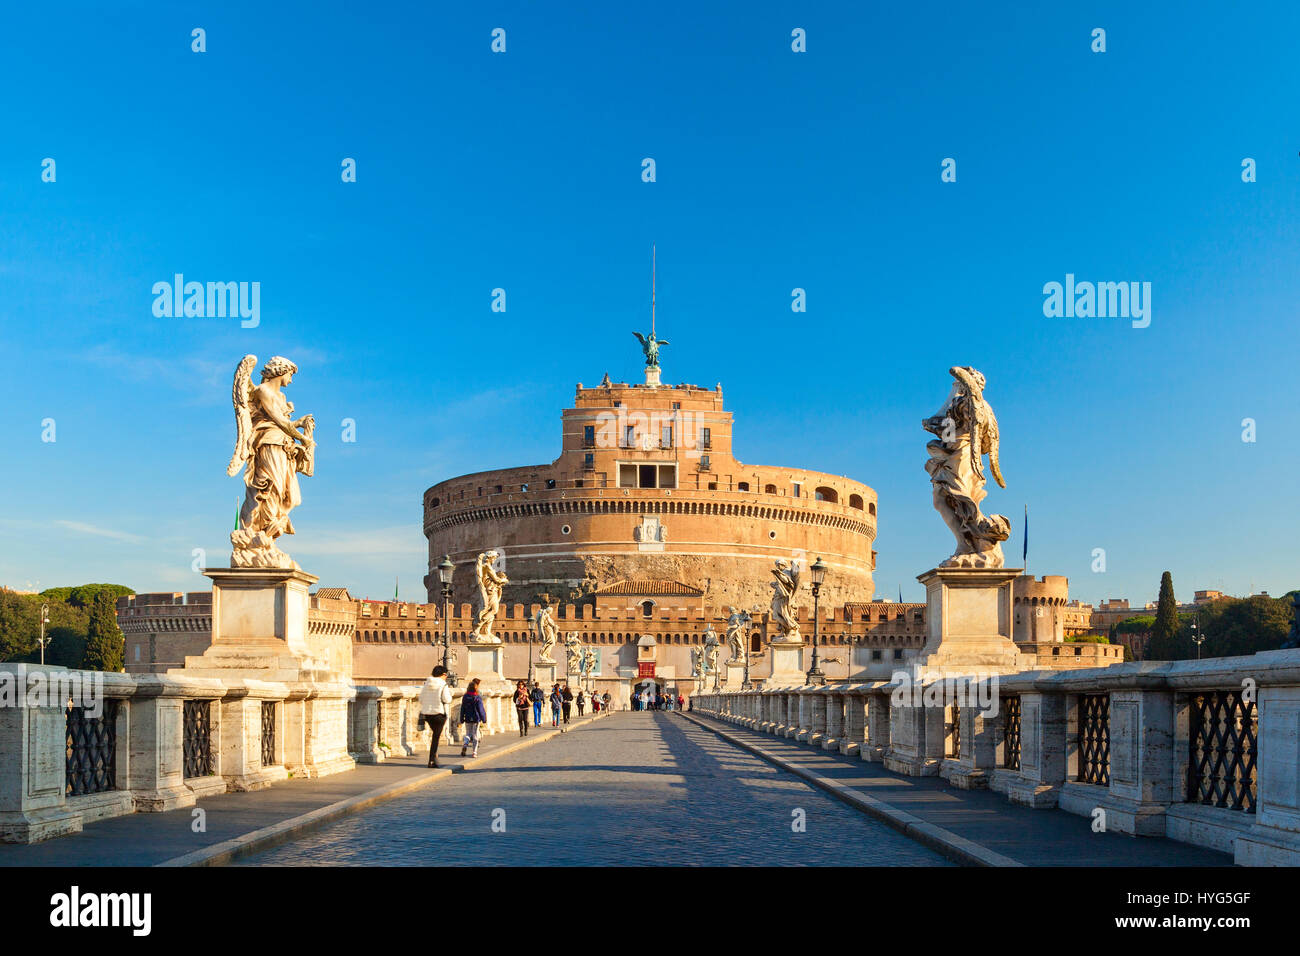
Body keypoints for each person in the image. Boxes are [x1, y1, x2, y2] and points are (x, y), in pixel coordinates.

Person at [418, 665, 453, 768]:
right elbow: (447, 699)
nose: (446, 677)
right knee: (436, 737)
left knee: (435, 735)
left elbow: (421, 699)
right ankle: (432, 760)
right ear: (443, 674)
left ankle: (434, 757)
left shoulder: (427, 683)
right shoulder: (443, 685)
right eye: (446, 675)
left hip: (427, 714)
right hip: (439, 714)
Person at [459, 678, 488, 758]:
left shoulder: (465, 697)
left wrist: (461, 718)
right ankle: (474, 752)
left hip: (467, 718)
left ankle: (465, 743)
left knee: (468, 733)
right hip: (476, 718)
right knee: (475, 735)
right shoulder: (477, 697)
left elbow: (462, 708)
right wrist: (484, 718)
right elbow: (480, 709)